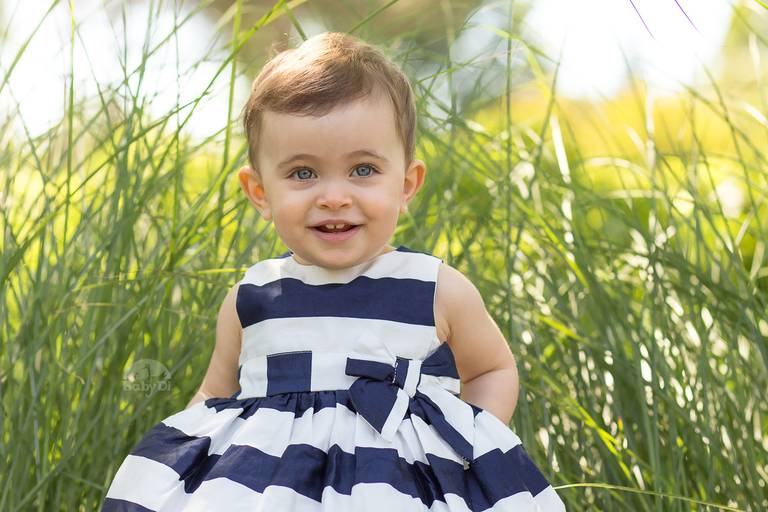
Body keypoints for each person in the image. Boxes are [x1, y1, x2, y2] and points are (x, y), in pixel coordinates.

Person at [102, 31, 566, 511]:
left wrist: (469, 446)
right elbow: (214, 393)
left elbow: (492, 368)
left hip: (401, 487)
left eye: (363, 170)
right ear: (260, 192)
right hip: (269, 487)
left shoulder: (433, 288)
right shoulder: (253, 296)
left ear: (406, 184)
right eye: (303, 173)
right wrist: (183, 465)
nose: (334, 197)